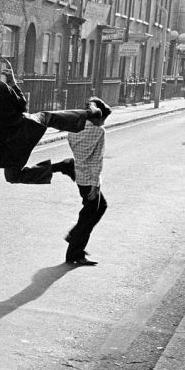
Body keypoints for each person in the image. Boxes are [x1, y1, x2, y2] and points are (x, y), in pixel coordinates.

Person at [0, 65, 103, 186]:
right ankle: (89, 113)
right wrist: (13, 85)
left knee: (12, 177)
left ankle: (62, 167)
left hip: (12, 147)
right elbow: (23, 106)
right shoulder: (0, 87)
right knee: (48, 117)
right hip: (28, 127)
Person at [65, 97, 111, 266]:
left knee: (98, 208)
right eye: (103, 119)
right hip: (90, 180)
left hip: (80, 176)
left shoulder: (74, 129)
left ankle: (74, 236)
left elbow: (74, 149)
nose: (103, 122)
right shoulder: (99, 132)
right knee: (89, 217)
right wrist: (95, 184)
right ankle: (75, 253)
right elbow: (97, 160)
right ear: (98, 117)